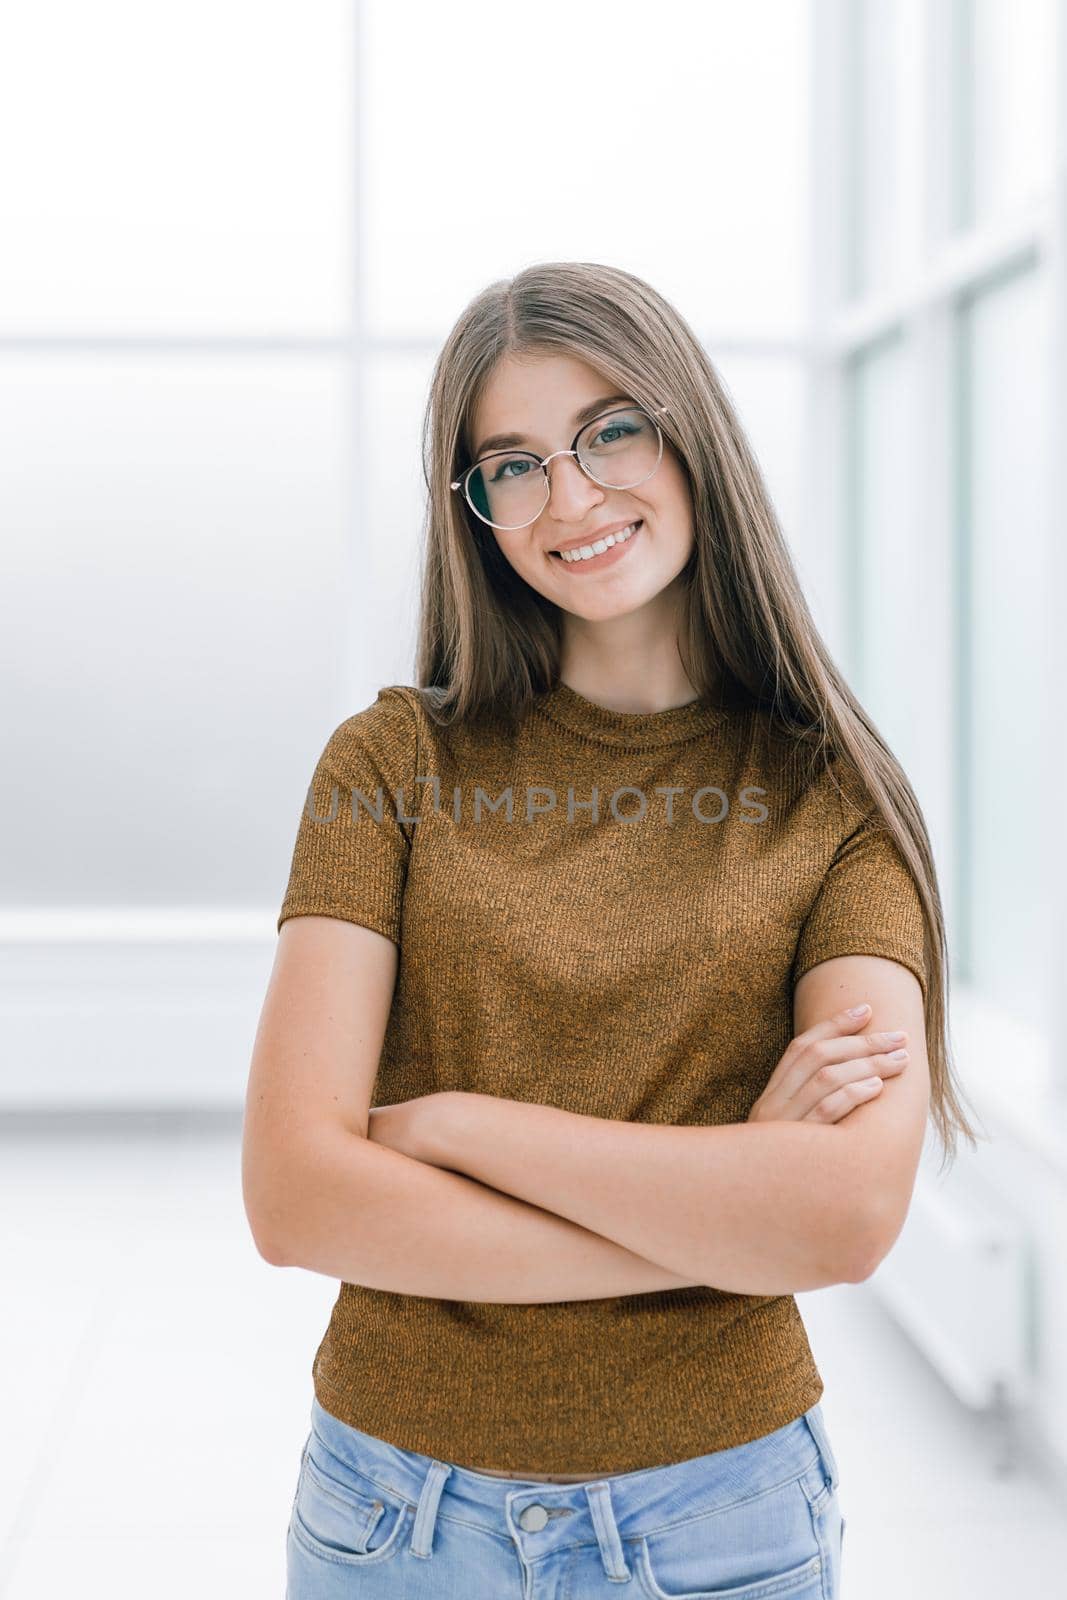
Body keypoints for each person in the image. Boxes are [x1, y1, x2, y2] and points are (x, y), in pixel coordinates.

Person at [242, 260, 980, 1598]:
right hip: (392, 1518)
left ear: (690, 431)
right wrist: (723, 1204)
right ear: (474, 511)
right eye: (512, 464)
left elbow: (846, 1215)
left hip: (718, 1524)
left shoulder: (835, 803)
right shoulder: (391, 762)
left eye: (610, 431)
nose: (570, 499)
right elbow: (296, 1199)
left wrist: (459, 1126)